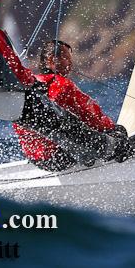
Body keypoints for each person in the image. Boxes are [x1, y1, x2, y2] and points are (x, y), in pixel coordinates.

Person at [0, 0, 129, 165]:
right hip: (15, 100)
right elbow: (18, 73)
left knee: (52, 128)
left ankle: (60, 158)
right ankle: (113, 150)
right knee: (65, 124)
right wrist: (38, 83)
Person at [14, 40, 123, 171]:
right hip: (60, 158)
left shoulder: (30, 84)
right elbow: (92, 118)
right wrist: (114, 131)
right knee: (120, 136)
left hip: (37, 159)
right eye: (66, 58)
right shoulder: (62, 85)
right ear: (51, 60)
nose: (70, 63)